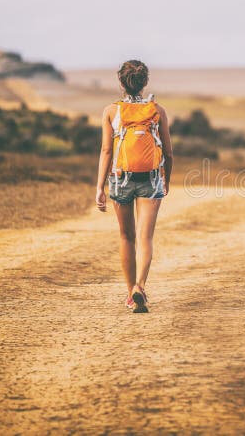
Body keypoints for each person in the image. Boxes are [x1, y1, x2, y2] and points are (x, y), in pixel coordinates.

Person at [95, 60, 173, 313]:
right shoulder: (157, 110)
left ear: (121, 82)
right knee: (144, 236)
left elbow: (107, 150)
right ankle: (140, 286)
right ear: (145, 82)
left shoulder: (110, 111)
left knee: (126, 236)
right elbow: (169, 154)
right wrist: (166, 180)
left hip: (120, 177)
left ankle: (131, 293)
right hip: (151, 177)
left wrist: (100, 187)